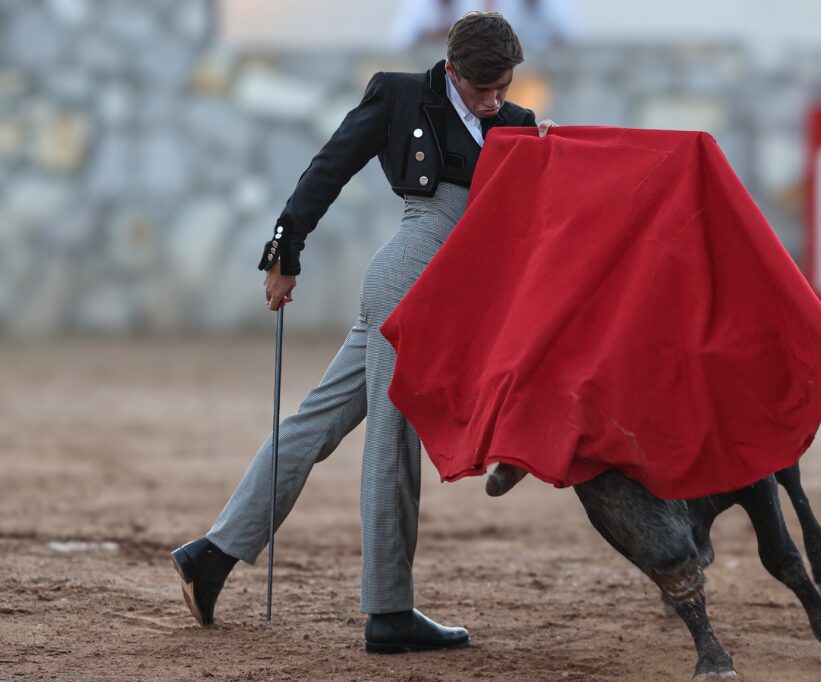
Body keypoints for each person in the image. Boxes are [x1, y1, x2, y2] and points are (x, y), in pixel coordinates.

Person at [171, 11, 553, 653]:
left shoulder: (514, 124)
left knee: (316, 423)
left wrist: (547, 149)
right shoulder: (400, 93)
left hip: (451, 295)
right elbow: (329, 167)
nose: (494, 102)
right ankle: (387, 610)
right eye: (482, 89)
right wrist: (284, 253)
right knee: (393, 436)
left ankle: (211, 556)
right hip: (408, 275)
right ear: (452, 69)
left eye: (503, 89)